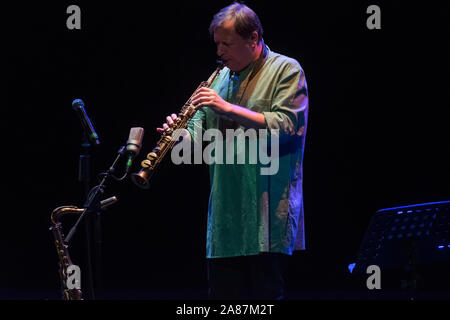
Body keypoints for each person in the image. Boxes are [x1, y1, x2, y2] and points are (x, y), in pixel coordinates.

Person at [157, 2, 308, 300]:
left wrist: (226, 107)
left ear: (253, 38)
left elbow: (287, 127)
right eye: (217, 44)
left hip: (266, 214)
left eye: (227, 43)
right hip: (226, 217)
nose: (220, 52)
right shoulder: (218, 78)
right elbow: (197, 134)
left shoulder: (286, 70)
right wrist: (178, 136)